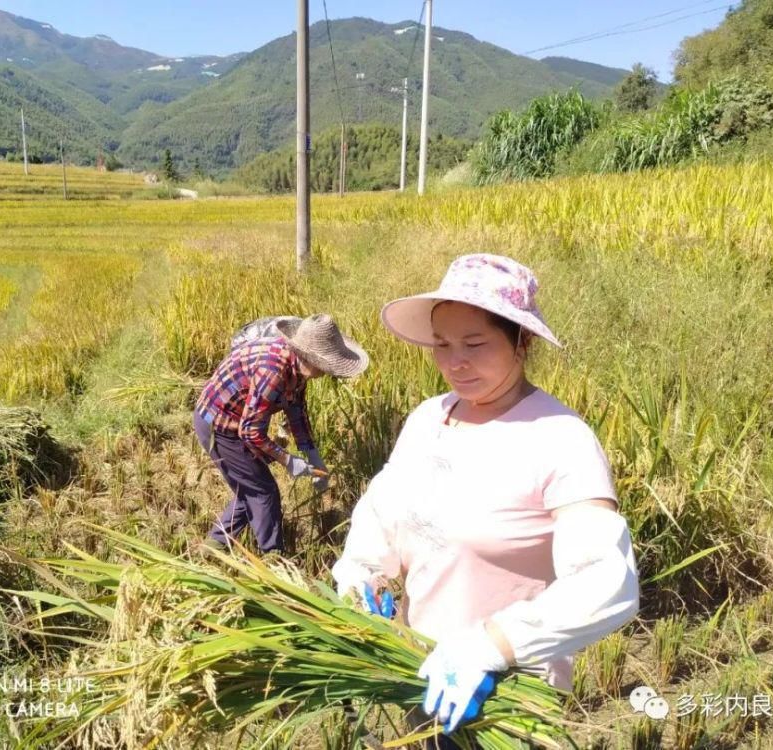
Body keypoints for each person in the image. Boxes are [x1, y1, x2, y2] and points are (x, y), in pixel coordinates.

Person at [331, 254, 640, 748]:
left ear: (523, 341)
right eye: (443, 345)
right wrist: (365, 571)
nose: (455, 362)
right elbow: (382, 508)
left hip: (502, 691)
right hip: (421, 670)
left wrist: (489, 647)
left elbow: (607, 579)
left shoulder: (560, 438)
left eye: (475, 344)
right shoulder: (429, 418)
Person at [194, 313, 369, 553]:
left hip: (239, 421)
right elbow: (250, 431)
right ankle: (273, 561)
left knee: (250, 489)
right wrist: (288, 460)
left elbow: (296, 410)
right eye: (327, 365)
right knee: (264, 492)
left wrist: (312, 454)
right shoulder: (272, 369)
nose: (328, 372)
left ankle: (212, 547)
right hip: (219, 424)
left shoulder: (297, 368)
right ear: (312, 359)